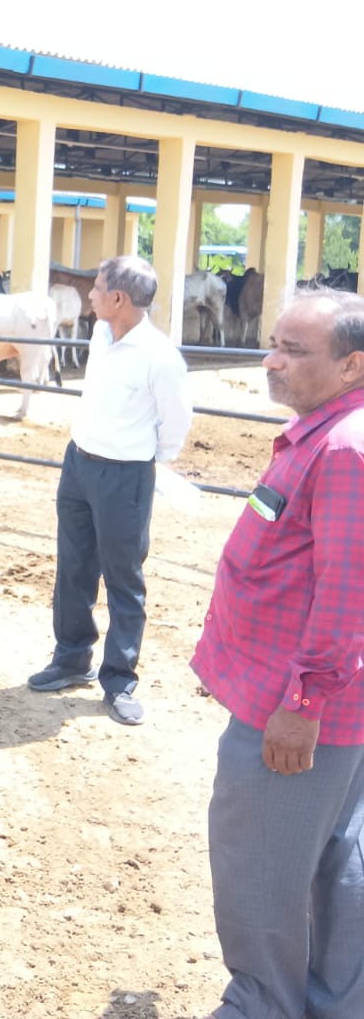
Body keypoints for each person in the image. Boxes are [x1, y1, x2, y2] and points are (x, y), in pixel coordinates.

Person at [191, 289, 364, 1019]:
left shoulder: (345, 450)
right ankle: (335, 1004)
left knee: (260, 867)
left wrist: (301, 704)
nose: (272, 361)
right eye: (274, 344)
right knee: (337, 857)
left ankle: (262, 1004)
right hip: (317, 705)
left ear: (352, 366)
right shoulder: (328, 435)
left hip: (293, 714)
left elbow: (348, 591)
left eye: (294, 351)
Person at [28, 255, 192, 726]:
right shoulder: (101, 334)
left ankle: (119, 678)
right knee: (73, 565)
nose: (91, 294)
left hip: (125, 474)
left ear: (118, 298)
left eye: (98, 287)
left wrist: (142, 456)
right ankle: (71, 657)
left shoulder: (160, 358)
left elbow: (176, 423)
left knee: (123, 576)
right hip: (79, 463)